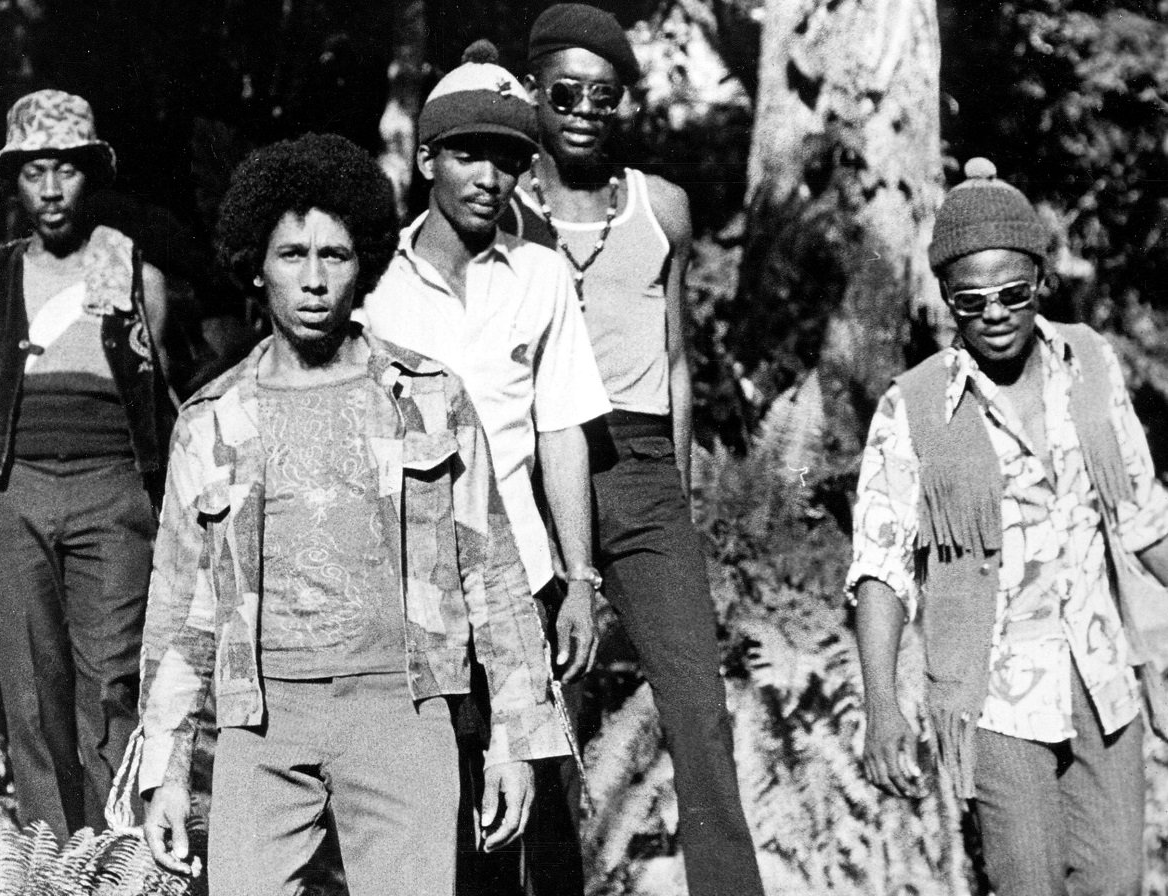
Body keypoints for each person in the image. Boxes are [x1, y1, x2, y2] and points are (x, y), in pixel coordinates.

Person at [134, 133, 571, 896]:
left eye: (333, 256)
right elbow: (179, 609)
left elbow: (494, 577)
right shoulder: (212, 417)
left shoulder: (429, 397)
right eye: (291, 255)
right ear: (255, 266)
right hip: (261, 722)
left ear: (362, 264)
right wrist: (165, 771)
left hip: (402, 712)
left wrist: (514, 741)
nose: (312, 281)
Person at [849, 157, 1168, 896]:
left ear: (1040, 283)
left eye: (1012, 294)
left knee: (1117, 883)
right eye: (972, 302)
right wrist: (881, 708)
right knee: (1028, 883)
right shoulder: (914, 407)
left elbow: (1145, 519)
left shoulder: (1090, 364)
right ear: (947, 304)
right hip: (997, 698)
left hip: (1101, 679)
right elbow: (882, 566)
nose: (995, 315)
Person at [502, 6, 766, 895]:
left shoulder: (661, 208)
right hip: (541, 476)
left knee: (699, 710)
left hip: (645, 466)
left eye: (603, 96)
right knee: (543, 713)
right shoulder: (502, 210)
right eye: (565, 92)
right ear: (534, 95)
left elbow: (680, 361)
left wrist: (678, 498)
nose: (583, 111)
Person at [361, 40, 610, 894]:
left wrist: (578, 579)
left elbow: (563, 431)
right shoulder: (372, 285)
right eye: (469, 152)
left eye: (508, 158)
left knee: (537, 827)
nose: (488, 177)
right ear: (427, 156)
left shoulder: (540, 276)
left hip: (523, 587)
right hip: (409, 596)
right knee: (439, 818)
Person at [0, 89, 174, 840]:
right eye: (34, 173)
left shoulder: (131, 273)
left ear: (91, 174)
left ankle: (125, 858)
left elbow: (152, 403)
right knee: (28, 688)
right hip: (13, 492)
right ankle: (53, 863)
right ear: (13, 182)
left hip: (110, 494)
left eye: (66, 170)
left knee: (110, 683)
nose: (51, 190)